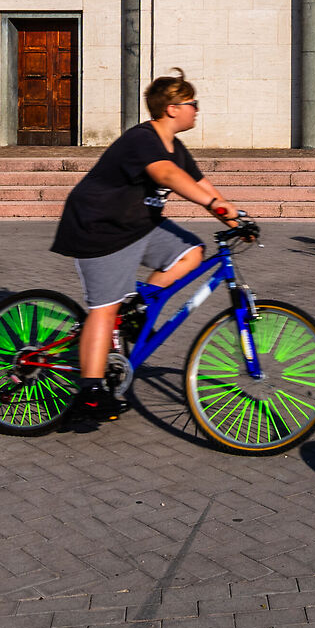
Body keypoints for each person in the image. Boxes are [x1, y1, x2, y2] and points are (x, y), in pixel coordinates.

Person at [49, 70, 250, 425]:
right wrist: (218, 208)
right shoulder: (142, 140)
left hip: (140, 226)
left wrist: (236, 221)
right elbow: (169, 177)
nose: (197, 110)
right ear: (173, 108)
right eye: (193, 104)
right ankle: (91, 393)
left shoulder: (176, 146)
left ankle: (137, 306)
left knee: (191, 252)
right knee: (104, 309)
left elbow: (202, 185)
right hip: (100, 229)